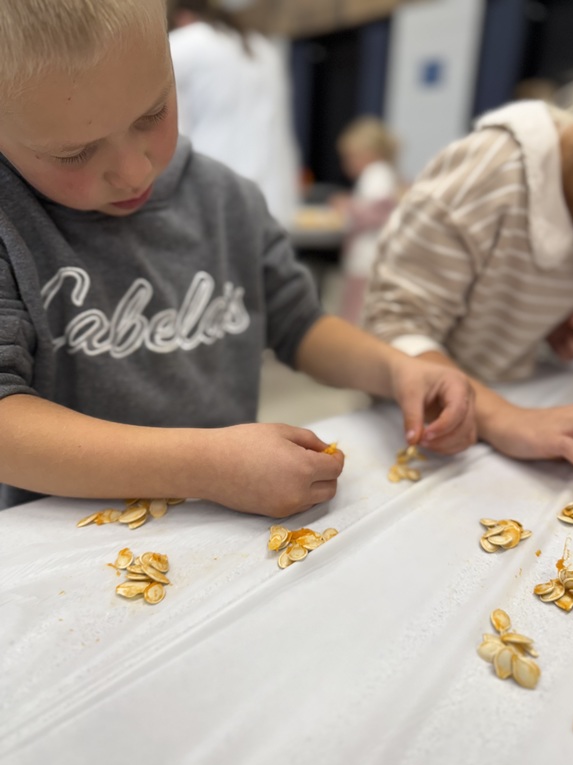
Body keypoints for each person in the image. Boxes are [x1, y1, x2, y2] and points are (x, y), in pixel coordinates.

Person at [0, 0, 476, 515]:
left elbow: (298, 322)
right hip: (68, 543)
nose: (134, 171)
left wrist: (394, 369)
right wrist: (204, 465)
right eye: (75, 153)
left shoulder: (228, 199)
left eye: (153, 114)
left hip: (229, 527)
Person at [363, 73, 573, 478]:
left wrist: (547, 323)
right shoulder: (493, 173)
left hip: (508, 407)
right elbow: (390, 326)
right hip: (415, 426)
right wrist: (506, 419)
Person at [168, 0, 299, 228]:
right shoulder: (264, 49)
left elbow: (169, 128)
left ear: (182, 16)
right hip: (274, 199)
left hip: (214, 195)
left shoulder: (186, 44)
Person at [330, 116, 405, 324]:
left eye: (350, 157)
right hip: (371, 259)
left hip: (366, 259)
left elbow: (377, 212)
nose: (346, 164)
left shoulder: (376, 174)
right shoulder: (385, 174)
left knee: (355, 313)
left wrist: (347, 207)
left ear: (369, 153)